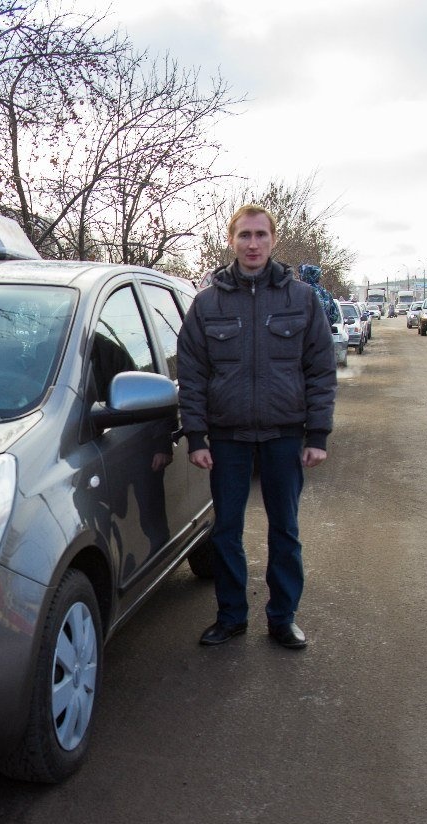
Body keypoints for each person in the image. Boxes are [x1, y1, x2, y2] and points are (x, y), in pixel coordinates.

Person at [177, 204, 337, 649]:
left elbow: (320, 370)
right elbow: (191, 375)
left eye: (260, 235)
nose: (253, 244)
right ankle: (231, 617)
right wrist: (196, 435)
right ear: (231, 240)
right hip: (226, 438)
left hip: (284, 435)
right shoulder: (208, 303)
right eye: (244, 235)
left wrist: (317, 435)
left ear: (273, 240)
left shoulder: (301, 298)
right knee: (226, 530)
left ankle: (282, 619)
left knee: (284, 530)